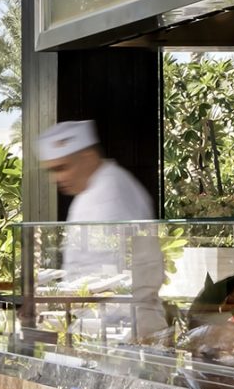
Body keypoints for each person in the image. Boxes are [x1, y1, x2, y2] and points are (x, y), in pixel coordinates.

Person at [35, 119, 166, 341]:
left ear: (87, 157)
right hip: (102, 325)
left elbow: (112, 278)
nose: (56, 178)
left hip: (122, 328)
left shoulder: (111, 193)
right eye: (52, 170)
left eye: (62, 168)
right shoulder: (93, 191)